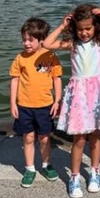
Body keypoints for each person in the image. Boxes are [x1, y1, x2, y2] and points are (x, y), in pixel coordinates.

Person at [42, 5, 100, 198]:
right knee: (79, 139)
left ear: (95, 26)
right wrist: (63, 26)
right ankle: (75, 176)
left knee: (95, 136)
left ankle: (95, 172)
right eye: (80, 28)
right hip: (79, 94)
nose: (85, 32)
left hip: (97, 93)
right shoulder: (72, 43)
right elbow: (47, 44)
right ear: (74, 28)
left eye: (88, 28)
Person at [9, 17, 63, 188]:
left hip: (45, 104)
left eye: (30, 40)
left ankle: (46, 165)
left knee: (45, 138)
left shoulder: (50, 56)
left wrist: (57, 101)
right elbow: (15, 80)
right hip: (24, 105)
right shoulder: (20, 58)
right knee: (28, 137)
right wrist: (13, 103)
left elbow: (57, 79)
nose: (26, 43)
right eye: (24, 39)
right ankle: (30, 168)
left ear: (41, 40)